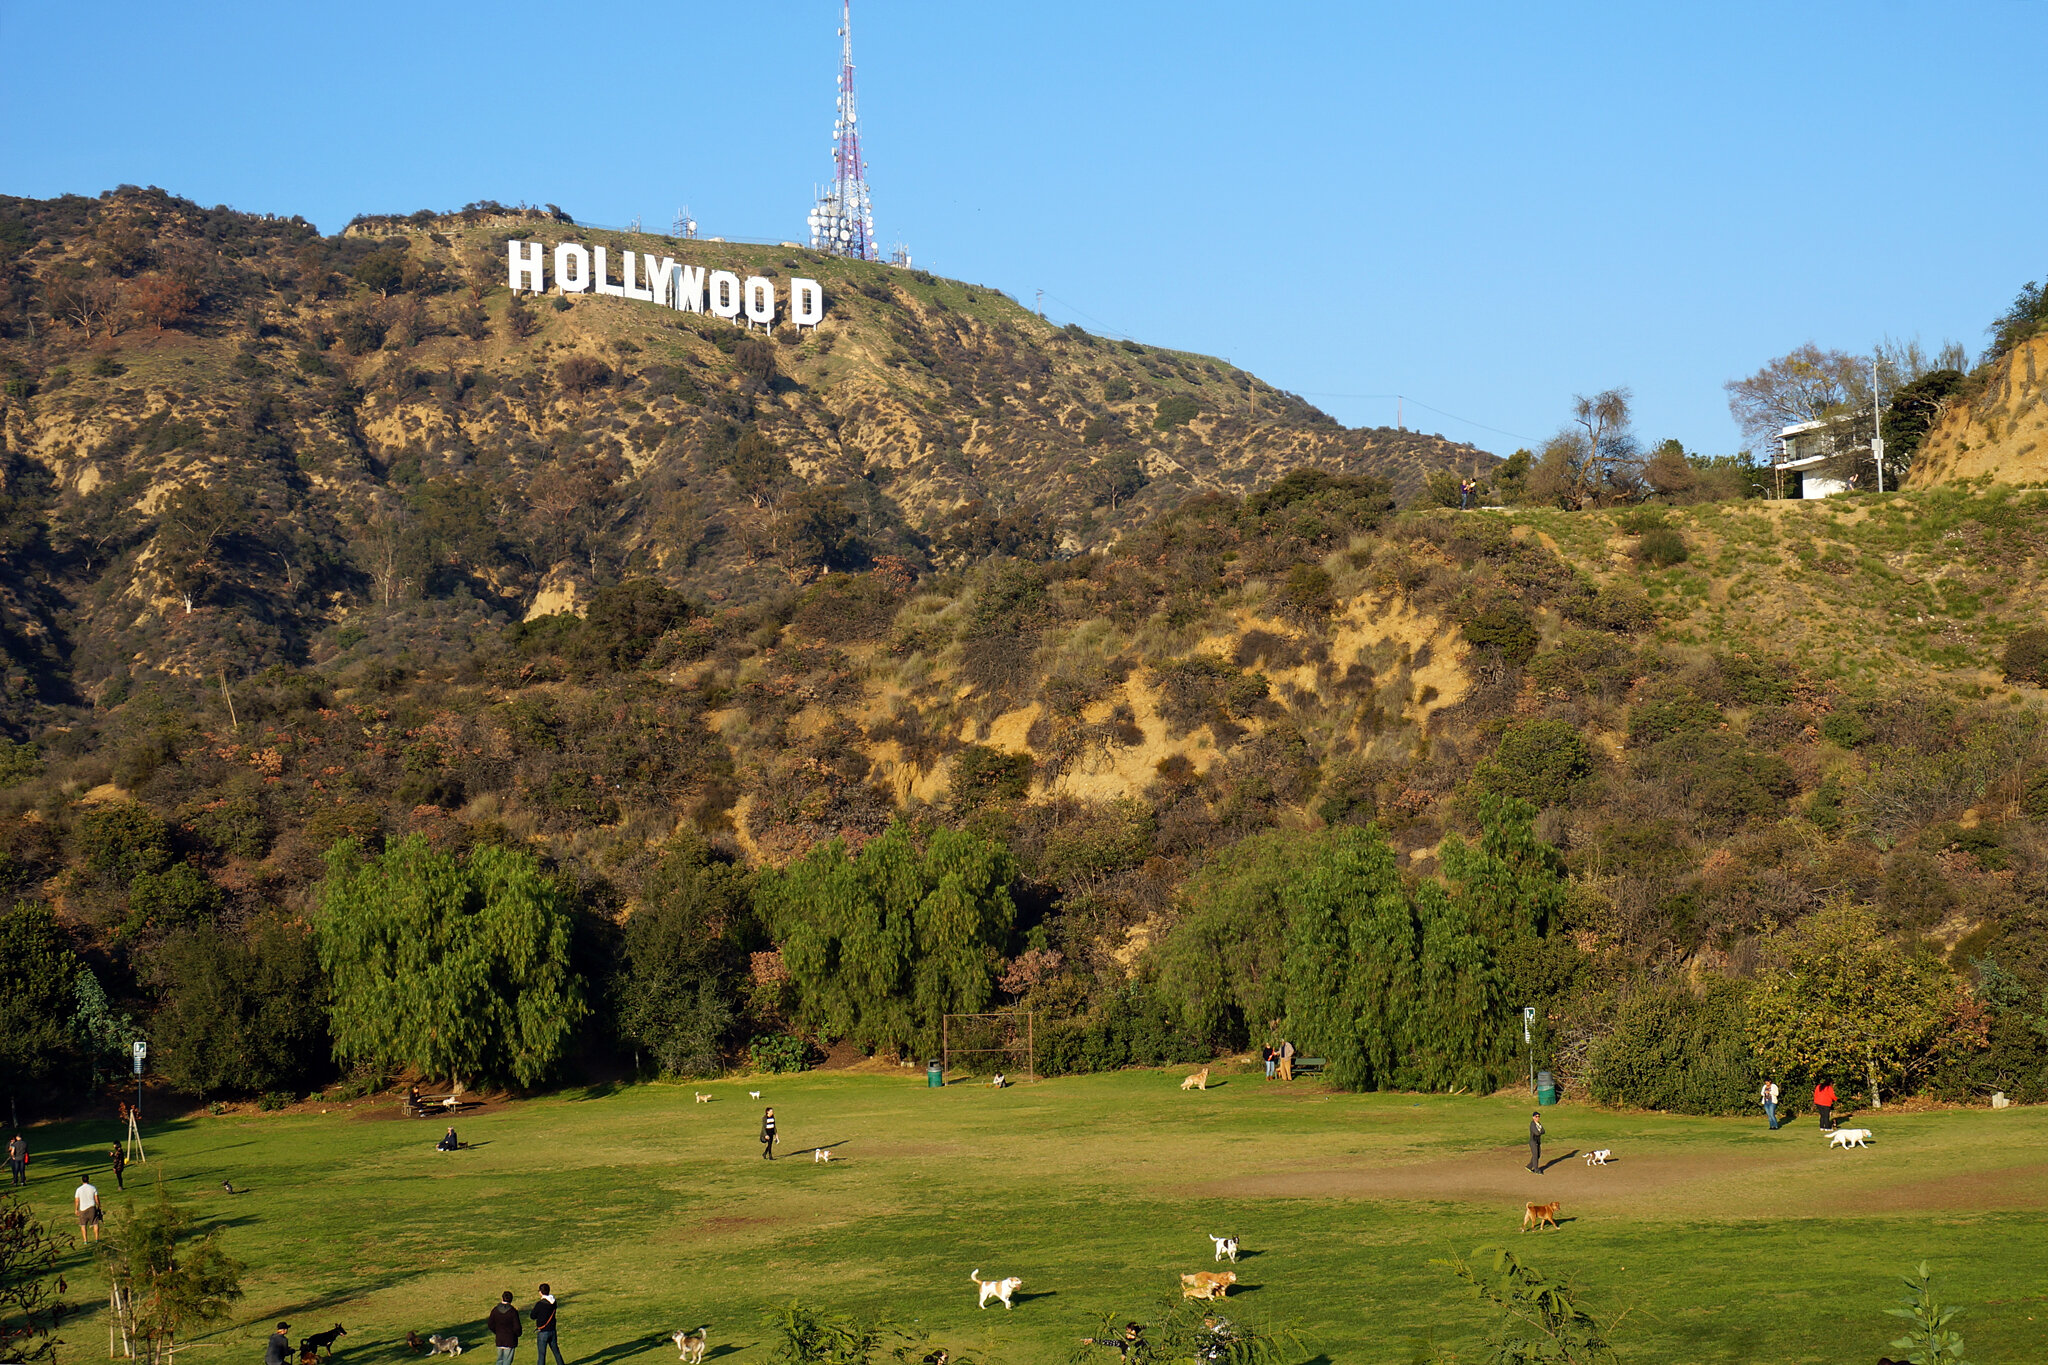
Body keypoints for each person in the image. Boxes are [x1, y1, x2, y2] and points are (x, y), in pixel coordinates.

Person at [532, 1285, 563, 1365]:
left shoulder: (540, 1304)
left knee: (542, 1355)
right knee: (556, 1352)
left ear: (540, 1292)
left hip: (543, 1331)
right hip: (552, 1330)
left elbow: (532, 1316)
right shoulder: (554, 1302)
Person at [488, 1292, 521, 1365]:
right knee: (507, 1361)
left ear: (502, 1298)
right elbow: (517, 1327)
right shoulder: (512, 1311)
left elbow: (490, 1324)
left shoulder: (495, 1310)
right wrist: (518, 1334)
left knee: (499, 1360)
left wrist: (497, 1332)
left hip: (499, 1338)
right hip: (510, 1339)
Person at [74, 1173, 102, 1243]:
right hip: (92, 1208)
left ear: (82, 1180)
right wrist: (99, 1206)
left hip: (83, 1209)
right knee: (95, 1223)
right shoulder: (93, 1188)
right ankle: (96, 1239)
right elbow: (96, 1199)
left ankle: (85, 1240)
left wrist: (76, 1209)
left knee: (83, 1225)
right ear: (88, 1179)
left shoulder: (79, 1189)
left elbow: (77, 1200)